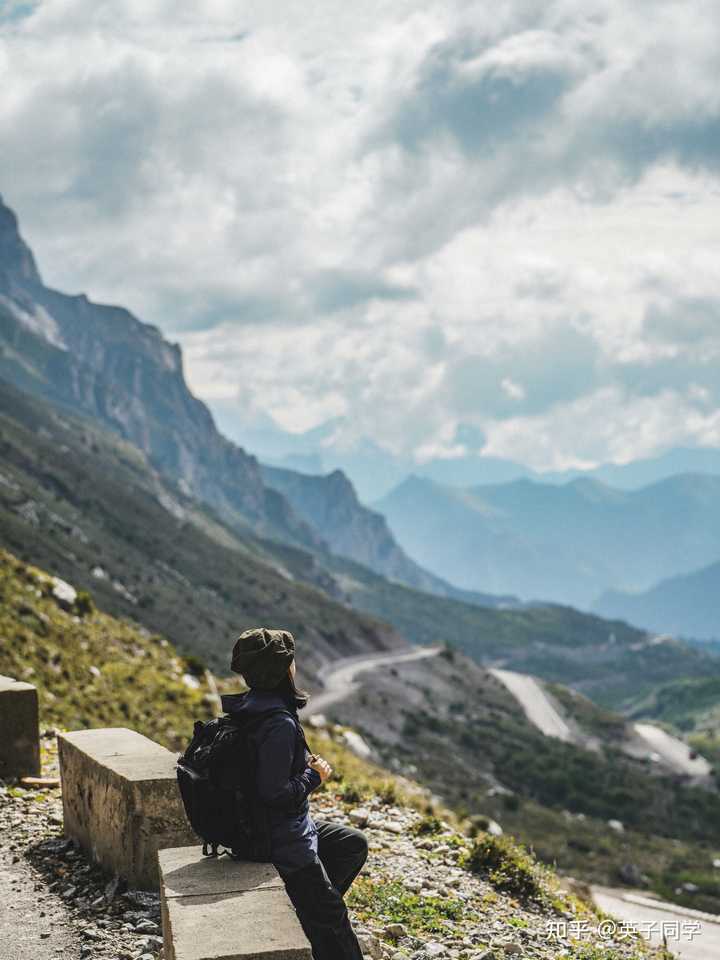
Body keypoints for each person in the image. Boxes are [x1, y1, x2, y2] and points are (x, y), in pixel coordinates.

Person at [221, 627, 368, 960]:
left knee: (352, 845)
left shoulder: (248, 707)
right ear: (284, 670)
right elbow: (274, 793)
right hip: (284, 842)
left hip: (264, 829)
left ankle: (308, 906)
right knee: (334, 922)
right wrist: (313, 777)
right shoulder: (279, 724)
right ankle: (316, 913)